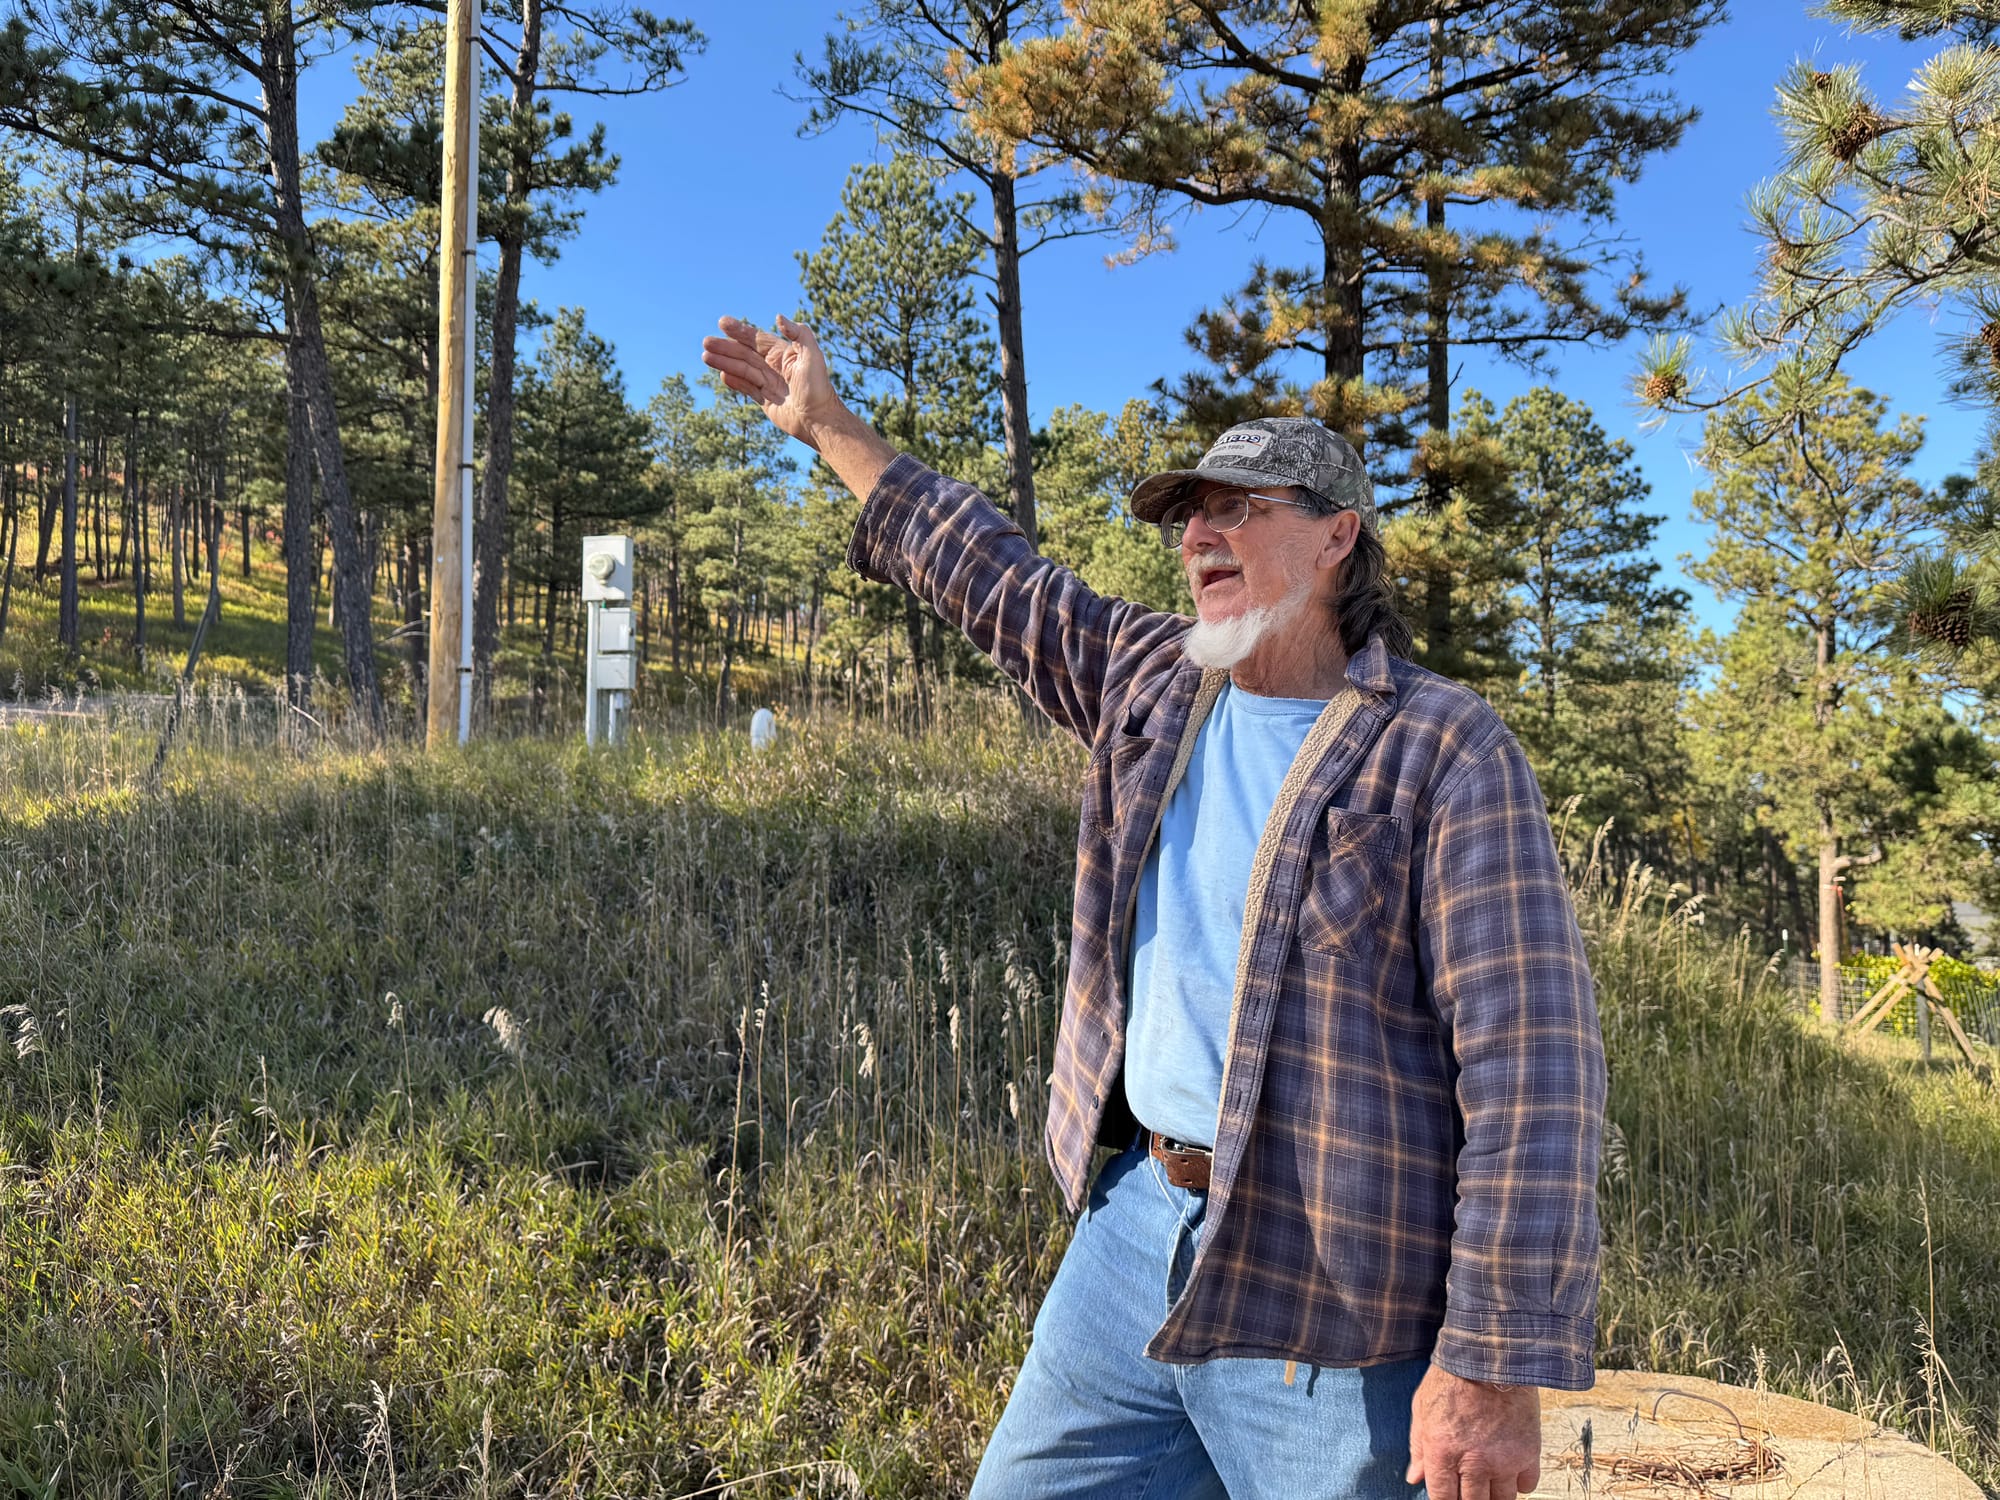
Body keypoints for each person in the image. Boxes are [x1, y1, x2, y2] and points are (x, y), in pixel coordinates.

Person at [701, 314, 1606, 1500]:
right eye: (1187, 515)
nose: (1196, 535)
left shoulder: (1442, 748)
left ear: (1336, 536)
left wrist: (1487, 1361)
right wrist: (829, 427)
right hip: (1132, 1231)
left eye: (1236, 508)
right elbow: (987, 572)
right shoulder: (1153, 682)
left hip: (1327, 1295)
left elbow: (1532, 1070)